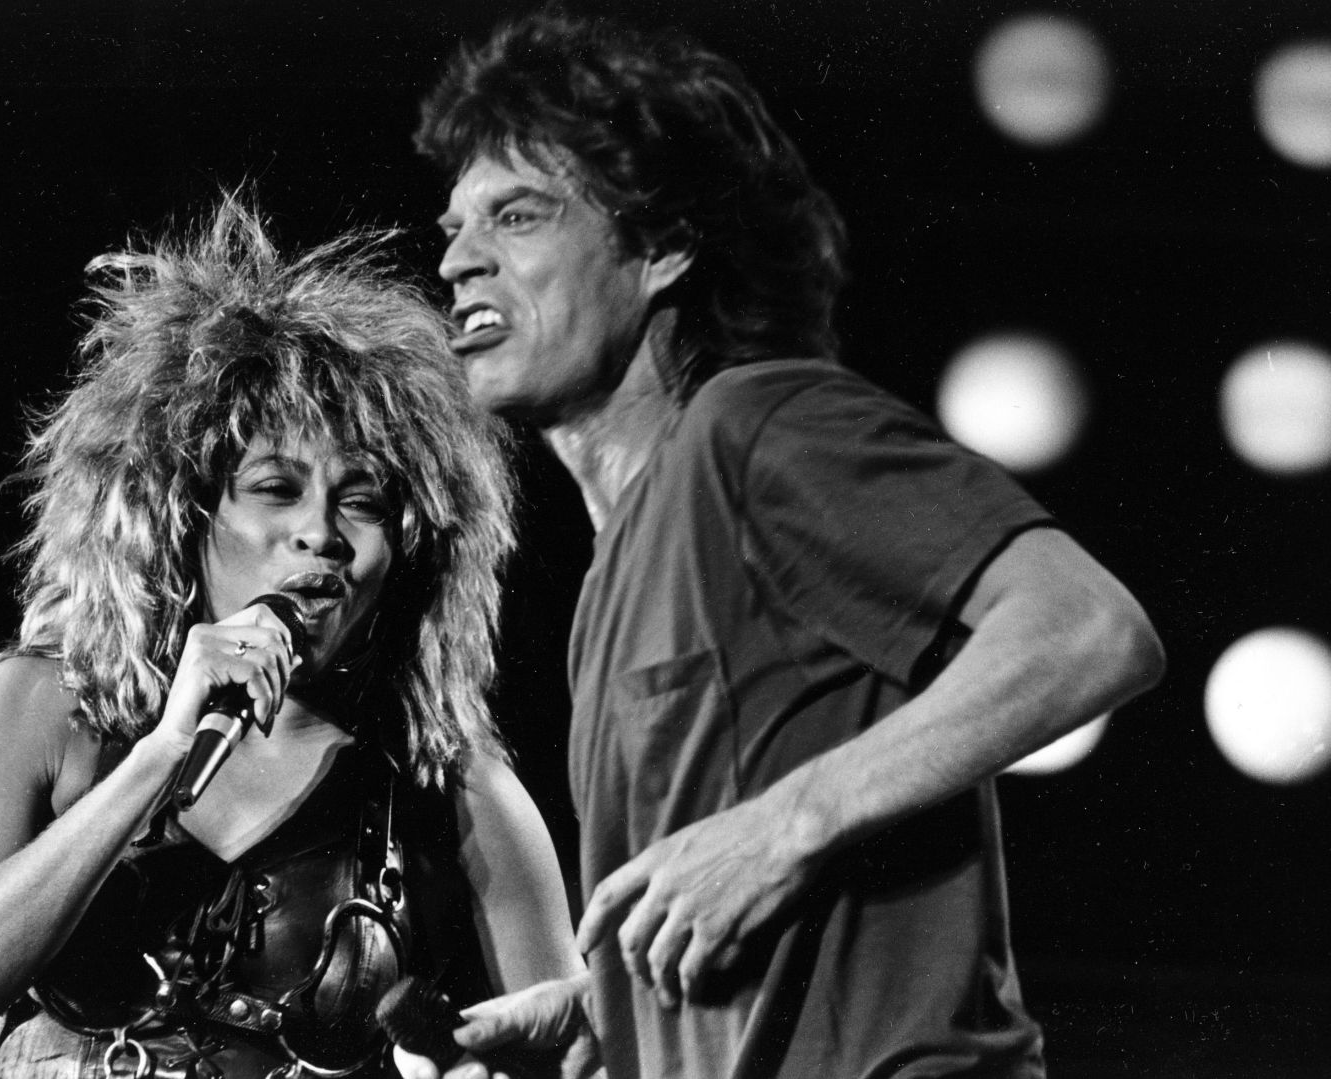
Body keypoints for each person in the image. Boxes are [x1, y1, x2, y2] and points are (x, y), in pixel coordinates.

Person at [399, 12, 1167, 1079]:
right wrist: (616, 1012)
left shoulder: (754, 429)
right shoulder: (617, 568)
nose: (457, 260)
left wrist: (785, 825)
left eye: (516, 216)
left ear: (661, 244)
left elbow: (1086, 628)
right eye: (454, 226)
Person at [0, 198, 581, 1078]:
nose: (319, 534)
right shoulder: (50, 706)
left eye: (360, 501)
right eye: (276, 488)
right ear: (187, 513)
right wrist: (160, 756)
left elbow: (580, 1056)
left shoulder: (452, 788)